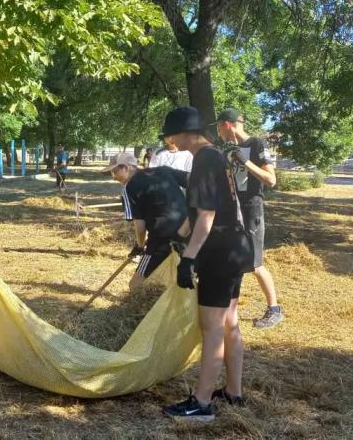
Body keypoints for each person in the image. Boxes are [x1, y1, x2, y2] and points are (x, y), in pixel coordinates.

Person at [161, 107, 250, 421]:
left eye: (171, 135)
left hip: (220, 252)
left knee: (211, 327)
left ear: (185, 133)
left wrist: (188, 259)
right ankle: (234, 392)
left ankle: (201, 404)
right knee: (229, 321)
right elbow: (198, 211)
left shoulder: (202, 160)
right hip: (238, 247)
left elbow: (207, 219)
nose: (169, 141)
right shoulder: (215, 156)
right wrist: (178, 234)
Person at [216, 108, 283, 329]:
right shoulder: (228, 148)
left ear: (227, 124)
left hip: (251, 208)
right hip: (232, 209)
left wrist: (245, 161)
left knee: (254, 262)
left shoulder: (256, 144)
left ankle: (274, 309)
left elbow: (271, 180)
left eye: (218, 127)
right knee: (233, 258)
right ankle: (228, 305)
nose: (218, 132)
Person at [100, 153, 187, 291]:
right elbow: (194, 180)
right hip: (188, 231)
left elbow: (140, 226)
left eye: (114, 171)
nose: (114, 176)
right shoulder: (164, 170)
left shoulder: (129, 189)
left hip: (161, 239)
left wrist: (140, 246)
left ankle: (138, 306)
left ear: (127, 167)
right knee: (185, 277)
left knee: (135, 286)